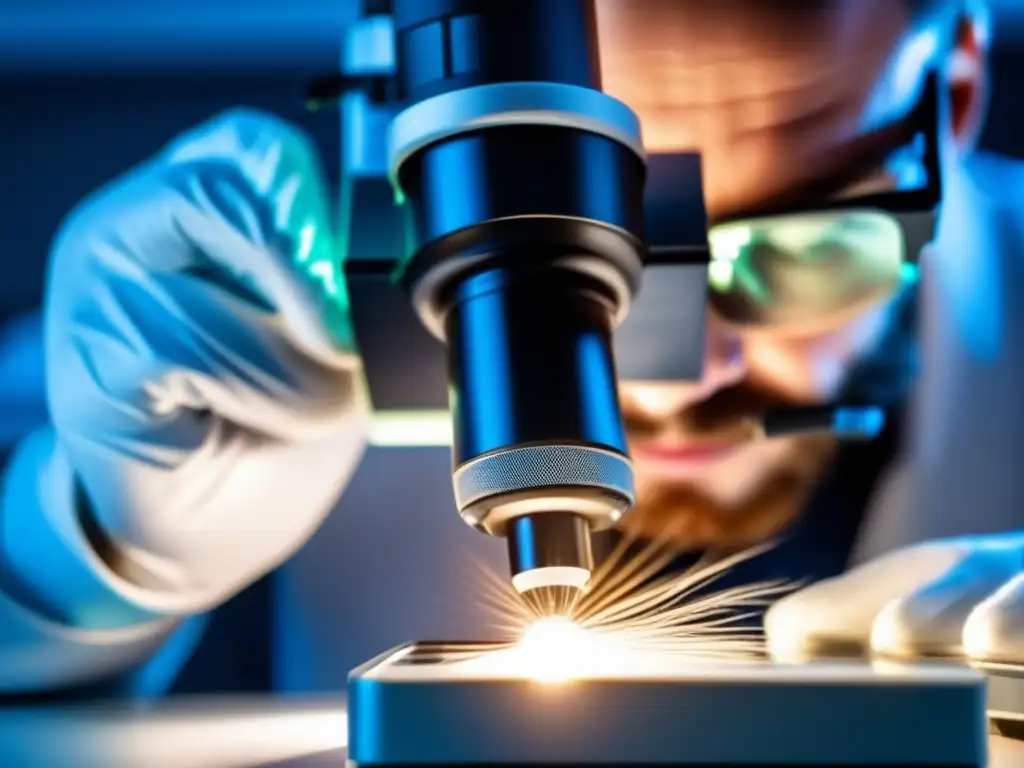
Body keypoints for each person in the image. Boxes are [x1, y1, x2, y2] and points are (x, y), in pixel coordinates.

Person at [0, 0, 1019, 696]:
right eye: (595, 259)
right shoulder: (213, 319)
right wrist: (75, 561)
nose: (685, 374)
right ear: (403, 128)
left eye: (804, 248)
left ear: (957, 97)